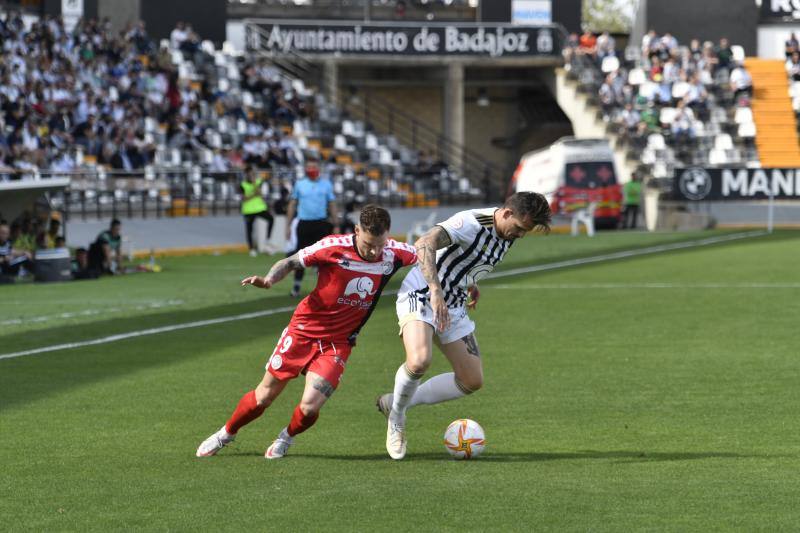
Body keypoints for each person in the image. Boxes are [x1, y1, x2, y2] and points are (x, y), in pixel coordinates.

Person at [196, 205, 418, 459]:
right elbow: (290, 261)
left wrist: (462, 283)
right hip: (303, 330)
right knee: (264, 396)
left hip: (339, 342)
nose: (375, 251)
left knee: (310, 406)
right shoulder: (332, 246)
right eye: (369, 244)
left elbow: (429, 253)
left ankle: (286, 437)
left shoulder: (394, 253)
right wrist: (269, 280)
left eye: (380, 244)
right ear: (357, 231)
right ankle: (226, 433)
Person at [377, 192, 552, 460]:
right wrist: (435, 289)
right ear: (506, 213)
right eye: (519, 228)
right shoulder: (470, 222)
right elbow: (425, 244)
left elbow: (467, 257)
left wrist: (470, 280)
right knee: (420, 360)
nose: (520, 235)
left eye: (525, 232)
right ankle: (397, 419)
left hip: (455, 302)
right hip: (423, 293)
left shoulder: (506, 233)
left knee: (471, 380)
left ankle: (398, 401)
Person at [285, 161, 339, 297]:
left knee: (324, 257)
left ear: (318, 168)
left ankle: (327, 288)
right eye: (308, 167)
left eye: (314, 167)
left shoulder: (326, 185)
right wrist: (288, 225)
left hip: (321, 224)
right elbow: (292, 204)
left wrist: (336, 224)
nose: (311, 169)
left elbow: (332, 204)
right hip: (304, 224)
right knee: (301, 256)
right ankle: (296, 286)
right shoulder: (300, 184)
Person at [240, 165, 274, 257]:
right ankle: (251, 249)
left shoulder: (258, 182)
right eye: (249, 173)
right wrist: (254, 194)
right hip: (248, 210)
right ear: (246, 174)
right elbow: (243, 198)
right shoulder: (242, 184)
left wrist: (254, 185)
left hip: (259, 208)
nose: (251, 175)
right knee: (249, 229)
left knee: (271, 219)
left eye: (252, 173)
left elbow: (260, 193)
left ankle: (267, 241)